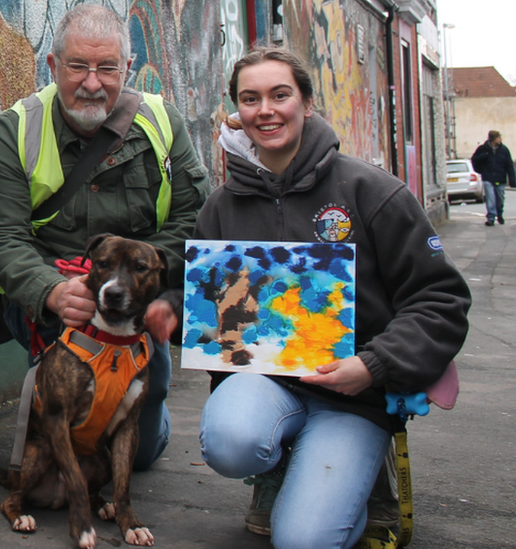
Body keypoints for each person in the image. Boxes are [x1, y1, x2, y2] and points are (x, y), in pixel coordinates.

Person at [184, 47, 470, 548]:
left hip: (354, 398)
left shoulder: (371, 191)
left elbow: (441, 299)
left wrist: (375, 366)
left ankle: (363, 484)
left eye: (280, 95)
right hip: (267, 386)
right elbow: (214, 319)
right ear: (238, 112)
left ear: (307, 103)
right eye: (250, 99)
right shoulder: (220, 208)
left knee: (302, 541)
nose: (265, 110)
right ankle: (277, 467)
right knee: (230, 439)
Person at [0, 4, 210, 471]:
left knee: (137, 455)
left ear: (127, 67)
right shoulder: (16, 129)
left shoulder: (164, 123)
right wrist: (53, 291)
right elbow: (1, 235)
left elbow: (194, 219)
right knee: (72, 431)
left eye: (107, 68)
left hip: (136, 300)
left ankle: (146, 416)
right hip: (52, 298)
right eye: (78, 66)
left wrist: (142, 279)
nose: (92, 82)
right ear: (53, 66)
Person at [471, 130, 516, 226]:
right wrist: (481, 169)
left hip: (500, 178)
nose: (500, 140)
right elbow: (474, 160)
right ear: (493, 139)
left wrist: (513, 180)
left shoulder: (504, 150)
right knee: (490, 198)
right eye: (498, 138)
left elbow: (509, 166)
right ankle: (491, 217)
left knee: (500, 199)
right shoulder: (483, 149)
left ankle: (499, 213)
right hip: (488, 177)